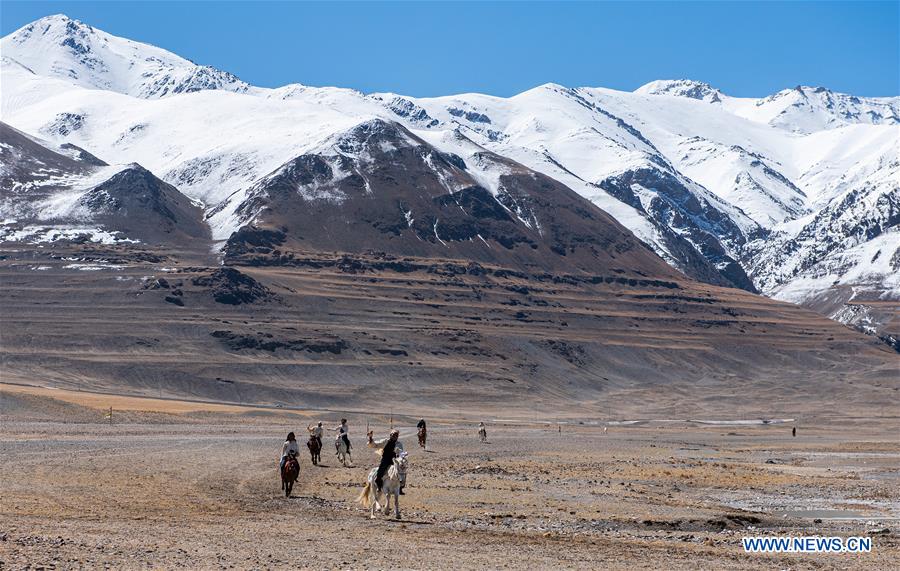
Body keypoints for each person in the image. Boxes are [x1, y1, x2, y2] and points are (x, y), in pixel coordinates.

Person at [368, 428, 404, 492]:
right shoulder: (385, 441)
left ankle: (400, 487)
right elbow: (375, 445)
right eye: (393, 435)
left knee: (402, 472)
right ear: (390, 435)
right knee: (380, 472)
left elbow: (401, 452)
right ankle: (379, 485)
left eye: (396, 435)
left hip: (395, 461)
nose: (395, 437)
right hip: (385, 460)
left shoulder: (399, 444)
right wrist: (370, 438)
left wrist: (401, 455)